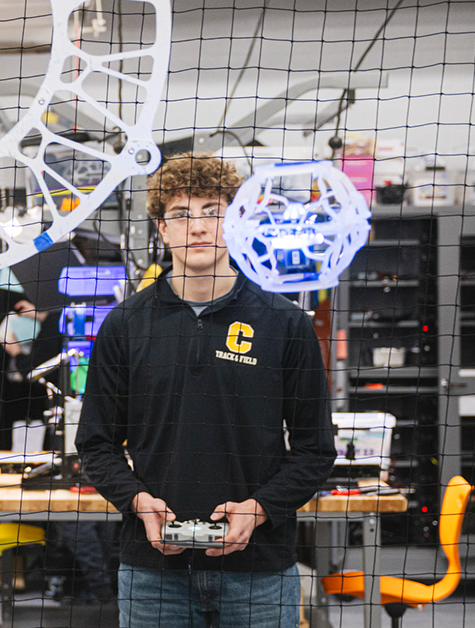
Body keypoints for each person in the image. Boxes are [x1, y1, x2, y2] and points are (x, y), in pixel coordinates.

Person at [75, 153, 336, 627]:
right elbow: (96, 444)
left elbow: (315, 450)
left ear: (236, 221)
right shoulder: (124, 326)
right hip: (153, 575)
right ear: (162, 229)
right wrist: (138, 502)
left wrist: (259, 510)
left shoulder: (285, 324)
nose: (197, 226)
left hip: (259, 572)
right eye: (180, 213)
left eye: (213, 211)